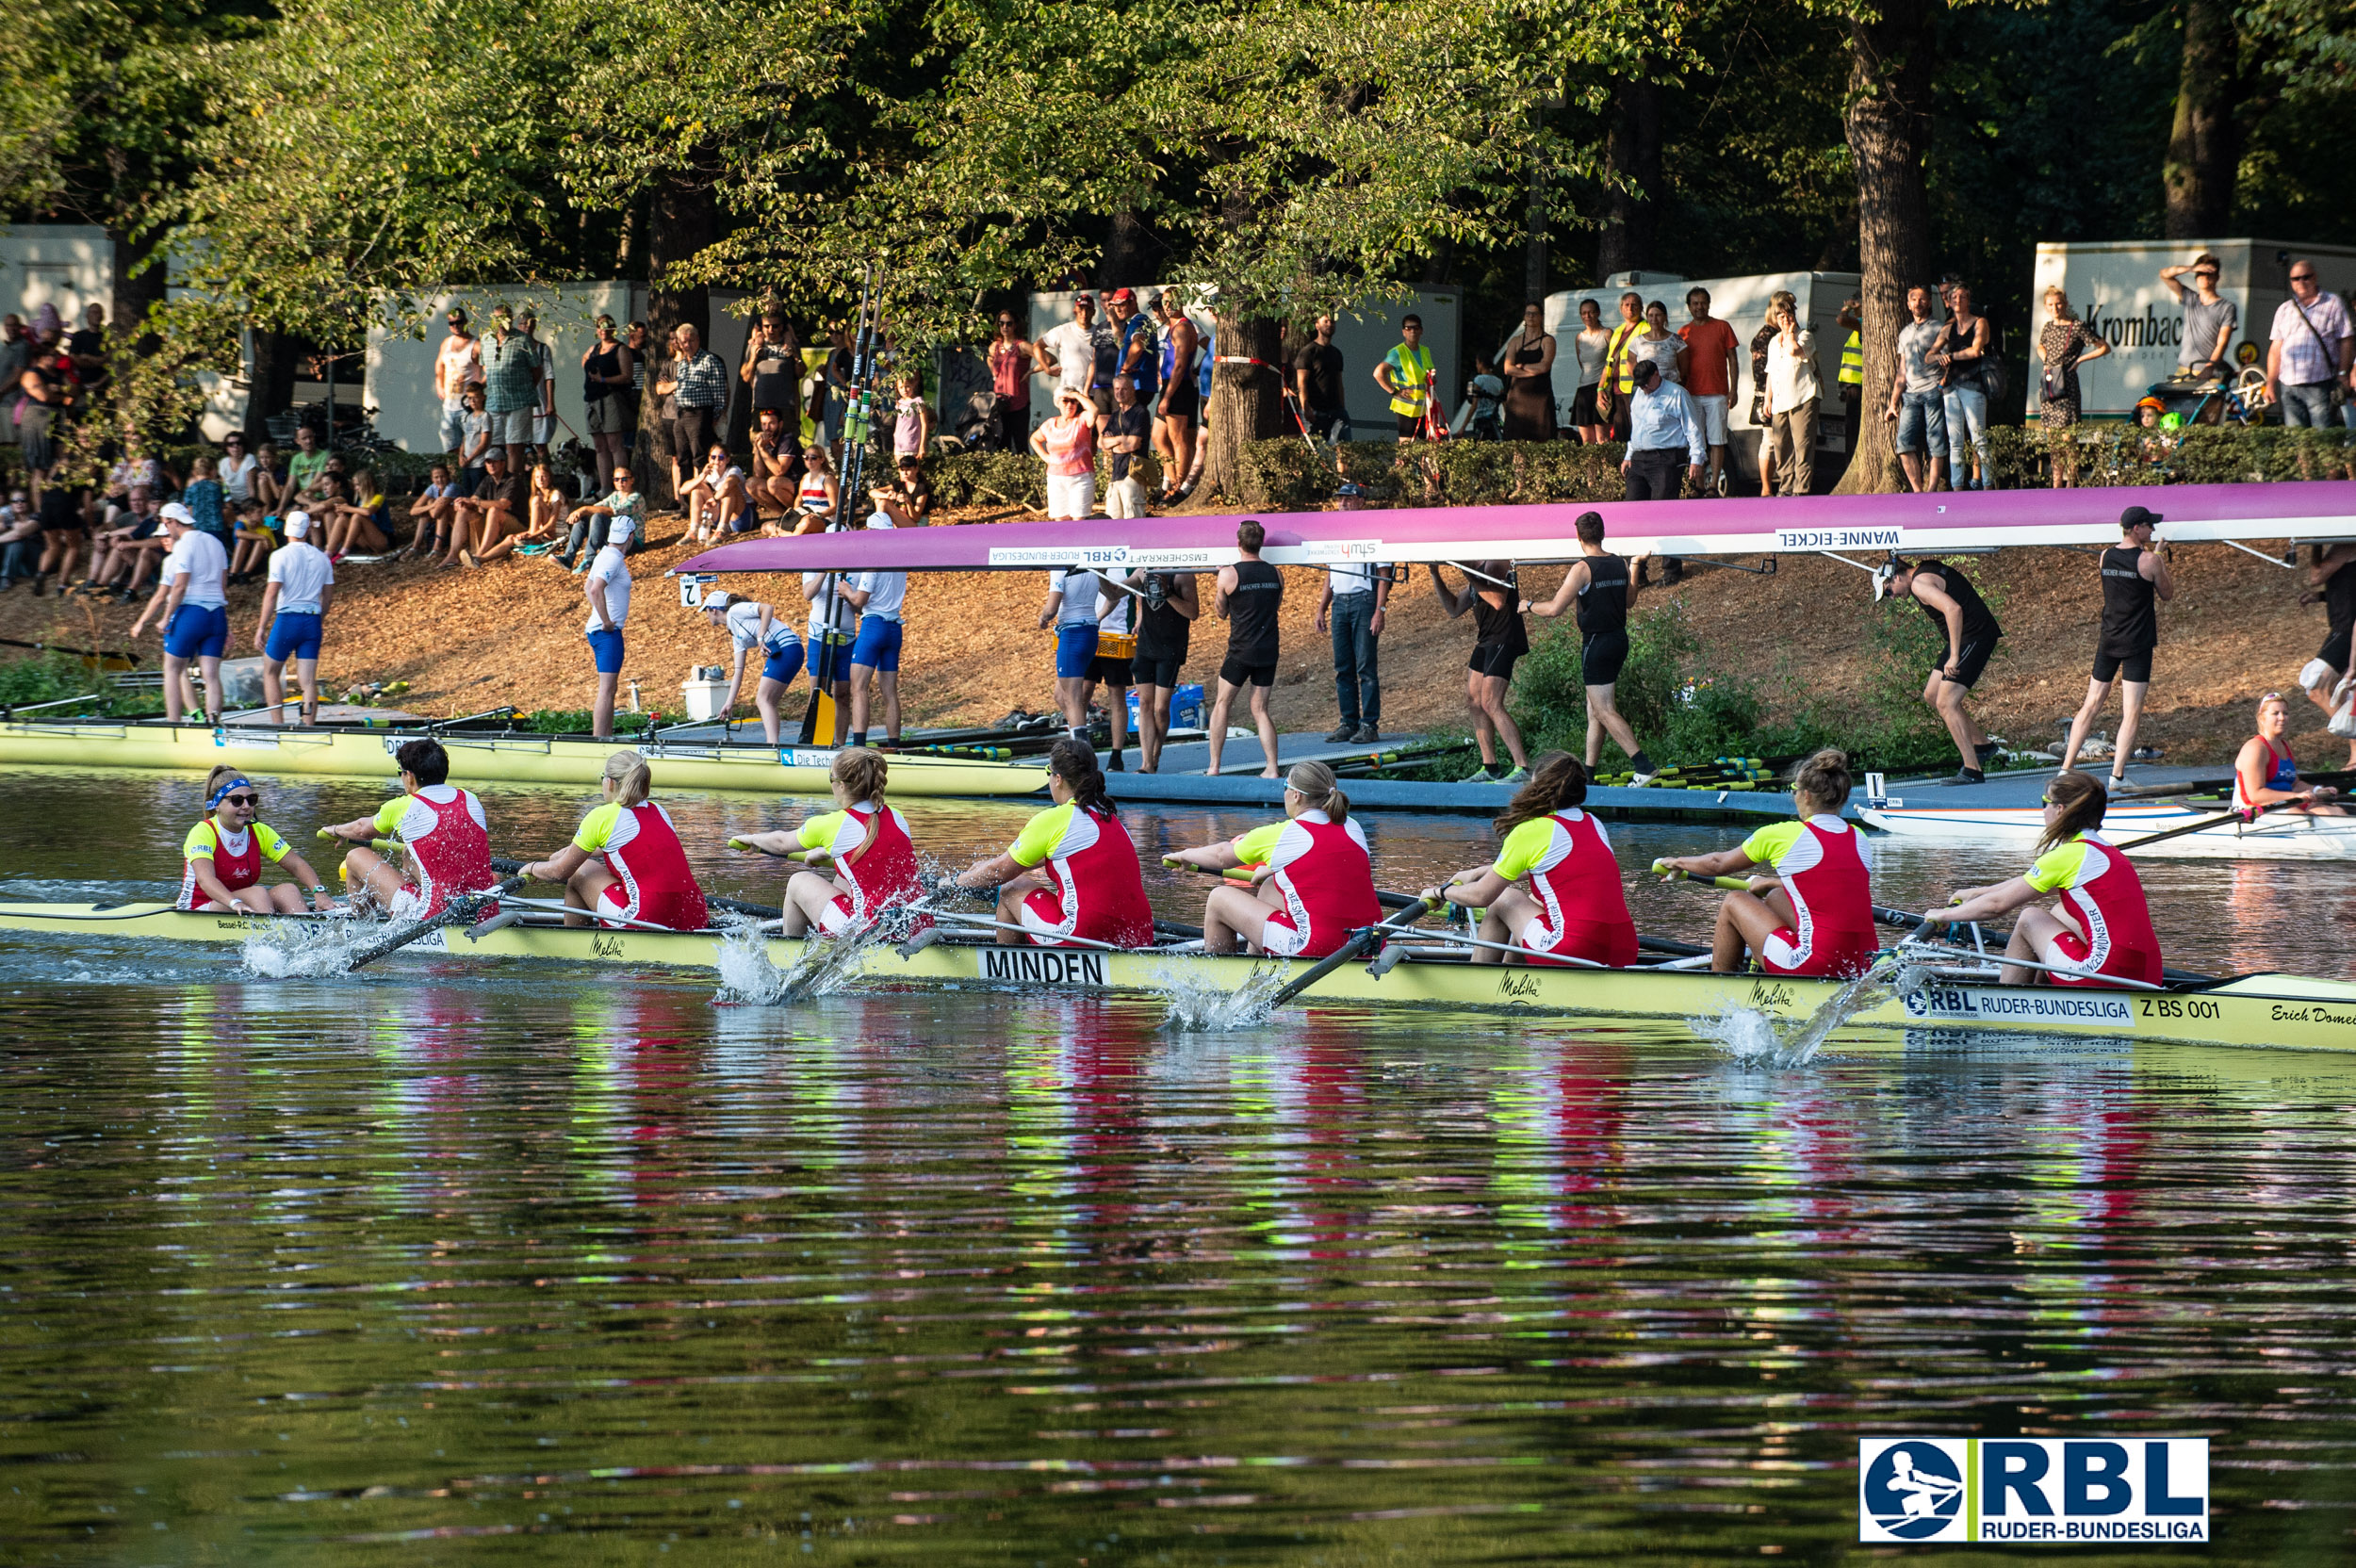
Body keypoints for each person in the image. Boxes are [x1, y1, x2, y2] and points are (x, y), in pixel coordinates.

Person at [1922, 772, 2163, 988]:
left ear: (2060, 810)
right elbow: (2024, 884)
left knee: (2030, 918)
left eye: (2044, 802)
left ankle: (2008, 1003)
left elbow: (1998, 906)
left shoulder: (2067, 855)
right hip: (2148, 974)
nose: (2042, 810)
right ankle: (2041, 991)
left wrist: (1944, 915)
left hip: (2105, 973)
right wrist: (1977, 893)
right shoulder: (2106, 852)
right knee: (2060, 912)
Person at [1655, 748, 1878, 977]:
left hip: (1814, 965)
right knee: (1775, 898)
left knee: (1734, 900)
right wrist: (1772, 883)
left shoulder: (1784, 834)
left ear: (1806, 795)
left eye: (1794, 791)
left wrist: (1678, 862)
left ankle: (1721, 995)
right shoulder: (1859, 838)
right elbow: (1830, 888)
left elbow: (1717, 863)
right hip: (1863, 963)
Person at [1423, 754, 1638, 967]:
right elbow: (1560, 868)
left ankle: (1476, 985)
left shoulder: (1531, 830)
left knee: (1503, 901)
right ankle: (1514, 979)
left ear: (1540, 788)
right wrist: (1480, 872)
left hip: (1575, 950)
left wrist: (1439, 892)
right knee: (1536, 899)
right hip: (1625, 948)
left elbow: (1481, 896)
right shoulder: (1594, 823)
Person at [949, 737, 1154, 948]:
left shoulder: (1055, 818)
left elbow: (999, 873)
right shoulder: (1111, 819)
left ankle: (1006, 974)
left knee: (1010, 888)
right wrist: (978, 870)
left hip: (1081, 936)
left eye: (1048, 772)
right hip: (1138, 936)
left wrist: (953, 883)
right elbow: (1016, 863)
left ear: (1058, 779)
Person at [1169, 760, 1379, 956]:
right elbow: (1326, 866)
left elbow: (1222, 856)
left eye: (1285, 786)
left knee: (1219, 898)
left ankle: (1220, 982)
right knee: (1271, 885)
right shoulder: (1353, 827)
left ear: (1296, 795)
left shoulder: (1282, 834)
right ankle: (1256, 969)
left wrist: (1184, 854)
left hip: (1316, 947)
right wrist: (1274, 869)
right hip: (1369, 942)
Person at [1524, 511, 1660, 784]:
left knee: (1603, 710)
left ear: (1578, 537)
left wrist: (1527, 606)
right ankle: (1588, 775)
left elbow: (1553, 609)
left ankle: (1643, 766)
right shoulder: (1618, 563)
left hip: (1596, 644)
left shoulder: (1582, 569)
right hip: (1619, 640)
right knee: (1595, 710)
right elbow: (1629, 601)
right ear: (1603, 534)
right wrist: (1635, 566)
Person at [741, 747, 926, 939]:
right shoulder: (897, 816)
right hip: (917, 922)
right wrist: (827, 852)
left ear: (841, 786)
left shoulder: (833, 824)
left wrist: (753, 839)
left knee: (798, 881)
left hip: (869, 932)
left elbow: (781, 843)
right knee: (842, 879)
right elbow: (877, 852)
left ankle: (791, 953)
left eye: (831, 778)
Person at [518, 749, 711, 931]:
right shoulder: (658, 811)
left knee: (578, 873)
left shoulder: (601, 816)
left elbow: (559, 873)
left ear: (609, 783)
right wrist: (564, 854)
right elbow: (633, 849)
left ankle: (577, 946)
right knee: (597, 868)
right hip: (696, 914)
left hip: (645, 919)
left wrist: (531, 867)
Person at [2060, 505, 2175, 786]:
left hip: (2108, 639)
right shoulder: (2149, 560)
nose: (2153, 530)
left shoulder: (2105, 556)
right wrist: (2159, 555)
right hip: (2137, 643)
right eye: (2150, 526)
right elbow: (2168, 594)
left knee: (2090, 705)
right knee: (2131, 711)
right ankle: (2118, 776)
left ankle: (2065, 769)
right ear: (2137, 528)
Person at [320, 738, 497, 919]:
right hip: (485, 908)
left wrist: (335, 830)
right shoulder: (470, 798)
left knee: (355, 856)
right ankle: (403, 903)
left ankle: (363, 925)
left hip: (433, 914)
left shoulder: (404, 805)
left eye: (401, 773)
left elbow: (361, 830)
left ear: (410, 776)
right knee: (408, 853)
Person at [1875, 558, 2003, 783]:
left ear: (1896, 576)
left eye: (1888, 592)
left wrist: (1954, 656)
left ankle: (1972, 769)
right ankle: (1982, 746)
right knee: (1932, 695)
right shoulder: (1924, 569)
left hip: (1975, 635)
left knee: (1946, 702)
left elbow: (1953, 610)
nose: (1892, 597)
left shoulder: (1918, 584)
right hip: (1967, 635)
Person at [1425, 559, 1530, 782]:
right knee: (1473, 700)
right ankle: (1490, 766)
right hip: (1485, 641)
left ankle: (1523, 767)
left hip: (1504, 638)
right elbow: (1453, 609)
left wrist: (1467, 572)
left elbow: (1498, 601)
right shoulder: (1474, 575)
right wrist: (1436, 575)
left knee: (1491, 702)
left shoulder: (1494, 565)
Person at [177, 766, 335, 914]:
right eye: (237, 800)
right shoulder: (202, 832)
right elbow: (205, 879)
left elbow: (296, 865)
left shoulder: (259, 831)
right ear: (217, 804)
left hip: (240, 903)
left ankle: (305, 934)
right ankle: (268, 937)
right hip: (197, 907)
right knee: (257, 893)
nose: (246, 806)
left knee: (289, 890)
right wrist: (234, 903)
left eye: (251, 799)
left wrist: (319, 893)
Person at [128, 502, 231, 725]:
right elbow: (223, 587)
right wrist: (227, 625)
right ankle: (214, 724)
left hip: (192, 612)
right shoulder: (216, 542)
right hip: (217, 615)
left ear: (173, 522)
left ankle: (173, 724)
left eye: (166, 524)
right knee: (211, 675)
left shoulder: (184, 545)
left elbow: (180, 586)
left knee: (172, 670)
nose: (167, 529)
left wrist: (166, 617)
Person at [1206, 519, 1284, 779]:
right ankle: (1272, 767)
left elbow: (1220, 612)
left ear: (1238, 543)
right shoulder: (1276, 574)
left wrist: (1220, 584)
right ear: (1261, 544)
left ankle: (1214, 766)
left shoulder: (1229, 573)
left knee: (1222, 704)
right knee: (1260, 709)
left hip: (1241, 650)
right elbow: (1275, 606)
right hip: (1268, 650)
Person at [254, 511, 335, 726]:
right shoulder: (322, 558)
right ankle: (309, 726)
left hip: (287, 620)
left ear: (287, 529)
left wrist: (261, 627)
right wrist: (320, 618)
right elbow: (328, 596)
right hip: (312, 620)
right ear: (308, 530)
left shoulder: (280, 555)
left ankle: (278, 725)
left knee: (271, 672)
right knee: (308, 681)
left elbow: (272, 593)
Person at [842, 503, 907, 749]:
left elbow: (860, 600)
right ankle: (894, 744)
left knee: (858, 687)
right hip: (894, 627)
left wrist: (846, 590)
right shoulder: (899, 559)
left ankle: (859, 744)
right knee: (889, 692)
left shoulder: (873, 562)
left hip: (873, 626)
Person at [702, 590, 803, 744]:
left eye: (706, 611)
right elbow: (738, 671)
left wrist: (761, 636)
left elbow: (767, 608)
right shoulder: (735, 633)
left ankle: (772, 746)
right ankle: (775, 745)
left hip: (787, 648)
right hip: (790, 650)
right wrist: (729, 703)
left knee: (763, 699)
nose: (706, 615)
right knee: (769, 701)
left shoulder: (736, 610)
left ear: (713, 610)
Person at [2265, 258, 2353, 429]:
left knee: (2322, 439)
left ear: (2315, 277)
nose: (2301, 282)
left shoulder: (2332, 303)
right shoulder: (2285, 309)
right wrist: (2270, 383)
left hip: (2319, 383)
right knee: (2297, 439)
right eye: (2295, 279)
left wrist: (2343, 374)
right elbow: (2275, 349)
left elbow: (2347, 340)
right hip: (2289, 385)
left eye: (2306, 277)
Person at [2037, 286, 2108, 487]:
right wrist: (2044, 357)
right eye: (2050, 304)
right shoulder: (2048, 327)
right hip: (2050, 383)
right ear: (2045, 306)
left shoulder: (2076, 326)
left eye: (2058, 303)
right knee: (2053, 440)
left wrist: (2080, 360)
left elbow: (2104, 347)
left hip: (2067, 385)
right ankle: (2056, 482)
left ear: (2066, 304)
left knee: (2068, 438)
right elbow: (2040, 345)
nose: (2055, 308)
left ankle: (2072, 482)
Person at [2234, 691, 2348, 817]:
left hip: (2286, 804)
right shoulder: (2255, 748)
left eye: (2285, 713)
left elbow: (2294, 784)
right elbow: (2256, 795)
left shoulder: (2285, 745)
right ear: (2262, 718)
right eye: (2275, 713)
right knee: (2302, 817)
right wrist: (2295, 796)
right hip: (2255, 810)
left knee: (2336, 812)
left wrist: (2317, 790)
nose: (2282, 718)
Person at [1317, 554, 1390, 744]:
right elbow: (1331, 574)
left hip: (1364, 599)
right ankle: (1349, 722)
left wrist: (1379, 611)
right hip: (1339, 601)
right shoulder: (1336, 538)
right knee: (1342, 666)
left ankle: (1369, 725)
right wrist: (1321, 608)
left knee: (1365, 666)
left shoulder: (1369, 535)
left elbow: (1384, 574)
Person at [1131, 567, 1199, 773]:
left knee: (1161, 708)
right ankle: (1146, 763)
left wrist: (1168, 594)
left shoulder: (1182, 575)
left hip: (1170, 647)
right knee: (1144, 703)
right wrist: (1101, 577)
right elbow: (1121, 593)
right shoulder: (1143, 571)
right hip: (1146, 644)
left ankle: (1155, 755)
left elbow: (1193, 613)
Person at [1930, 282, 1994, 491]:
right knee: (1955, 440)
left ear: (1968, 299)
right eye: (1954, 297)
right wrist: (1939, 356)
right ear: (1948, 300)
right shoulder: (1948, 327)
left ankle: (1987, 484)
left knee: (1978, 438)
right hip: (1951, 387)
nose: (1958, 301)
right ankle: (1957, 487)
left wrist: (1950, 356)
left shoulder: (1979, 323)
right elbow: (1929, 355)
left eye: (1962, 297)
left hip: (1973, 385)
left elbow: (1976, 351)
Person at [1885, 284, 1948, 494]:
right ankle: (1917, 492)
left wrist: (1942, 384)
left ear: (1929, 302)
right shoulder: (1904, 333)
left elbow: (1950, 361)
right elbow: (1901, 370)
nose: (1918, 303)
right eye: (1913, 299)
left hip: (1933, 391)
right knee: (1903, 444)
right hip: (1910, 396)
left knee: (1935, 442)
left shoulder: (1939, 328)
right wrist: (1894, 401)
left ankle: (1931, 489)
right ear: (1908, 304)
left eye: (1922, 299)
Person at [2298, 542, 2356, 764]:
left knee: (2316, 687)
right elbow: (2349, 587)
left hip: (2347, 630)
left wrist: (2315, 543)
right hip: (2344, 627)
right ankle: (2354, 754)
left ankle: (2355, 748)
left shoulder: (2346, 546)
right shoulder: (2346, 549)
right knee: (2340, 691)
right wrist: (2321, 597)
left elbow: (2316, 575)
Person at [655, 324, 729, 495]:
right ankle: (685, 501)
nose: (687, 345)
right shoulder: (682, 364)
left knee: (700, 456)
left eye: (691, 341)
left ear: (698, 340)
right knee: (682, 457)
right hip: (681, 413)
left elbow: (719, 392)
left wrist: (716, 416)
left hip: (700, 413)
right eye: (684, 342)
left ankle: (705, 495)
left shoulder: (709, 361)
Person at [1678, 286, 1740, 493]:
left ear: (1709, 304)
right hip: (1691, 395)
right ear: (1689, 306)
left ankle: (1713, 484)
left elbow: (1732, 358)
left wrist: (1734, 389)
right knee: (1697, 442)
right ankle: (1697, 484)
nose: (1699, 307)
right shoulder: (1683, 333)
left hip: (1717, 393)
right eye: (1695, 303)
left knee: (1717, 440)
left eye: (1703, 302)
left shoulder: (1722, 327)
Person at [1041, 565, 1109, 747]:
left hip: (1072, 633)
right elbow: (1114, 596)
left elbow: (1051, 608)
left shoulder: (1060, 567)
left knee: (1072, 697)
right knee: (1060, 695)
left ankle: (1081, 748)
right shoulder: (1093, 566)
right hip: (1089, 632)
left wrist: (1043, 619)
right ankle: (1077, 735)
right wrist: (1097, 617)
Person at [1620, 357, 1706, 501]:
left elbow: (1693, 428)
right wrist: (1629, 455)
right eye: (1641, 385)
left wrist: (1696, 459)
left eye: (1646, 384)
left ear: (1656, 374)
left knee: (1662, 507)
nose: (1644, 388)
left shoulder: (1677, 394)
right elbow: (1636, 428)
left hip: (1665, 459)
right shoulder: (1638, 394)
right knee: (1632, 505)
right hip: (1639, 458)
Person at [583, 506, 635, 740]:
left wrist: (599, 615)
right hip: (606, 633)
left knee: (609, 688)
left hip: (599, 631)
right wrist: (605, 620)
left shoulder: (604, 554)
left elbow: (588, 587)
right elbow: (595, 589)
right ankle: (600, 740)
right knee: (607, 689)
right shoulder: (613, 558)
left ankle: (605, 737)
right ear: (630, 537)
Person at [1764, 300, 1821, 498]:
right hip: (1780, 401)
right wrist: (1767, 399)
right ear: (1776, 319)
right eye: (1781, 317)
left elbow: (1793, 350)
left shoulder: (1804, 336)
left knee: (1802, 446)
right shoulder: (1773, 342)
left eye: (1789, 316)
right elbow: (1771, 371)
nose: (1786, 319)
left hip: (1803, 396)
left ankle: (1801, 489)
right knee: (1781, 447)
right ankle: (1785, 487)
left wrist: (1789, 333)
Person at [477, 305, 541, 476]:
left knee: (514, 447)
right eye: (498, 319)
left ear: (511, 319)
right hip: (494, 402)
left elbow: (537, 369)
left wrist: (525, 389)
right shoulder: (485, 340)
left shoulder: (523, 340)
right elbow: (486, 369)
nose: (501, 323)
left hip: (519, 402)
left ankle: (513, 489)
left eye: (505, 318)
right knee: (494, 447)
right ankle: (496, 486)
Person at [2160, 253, 2237, 384]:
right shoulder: (2190, 298)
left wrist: (2210, 367)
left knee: (2207, 405)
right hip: (2184, 371)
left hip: (2208, 373)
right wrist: (2191, 268)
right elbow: (2165, 274)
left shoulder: (2226, 307)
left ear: (2217, 277)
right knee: (2172, 403)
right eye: (2201, 273)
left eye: (2209, 273)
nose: (2204, 277)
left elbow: (2222, 343)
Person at [581, 312, 636, 484]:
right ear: (597, 330)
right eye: (600, 326)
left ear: (613, 328)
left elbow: (627, 376)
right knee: (599, 446)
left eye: (607, 326)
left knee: (614, 444)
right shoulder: (593, 349)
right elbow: (584, 360)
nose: (603, 330)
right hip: (592, 399)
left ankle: (622, 484)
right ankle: (605, 488)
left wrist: (603, 379)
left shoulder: (620, 349)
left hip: (611, 398)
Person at [1157, 296, 1203, 498]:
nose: (1168, 306)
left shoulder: (1183, 328)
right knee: (1158, 437)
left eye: (1172, 302)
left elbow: (1179, 365)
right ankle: (1171, 480)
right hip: (1170, 384)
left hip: (1178, 387)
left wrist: (1167, 396)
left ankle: (1180, 486)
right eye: (1165, 302)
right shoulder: (1171, 327)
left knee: (1178, 439)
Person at [1031, 386, 1098, 520]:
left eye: (1073, 401)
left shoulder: (1081, 420)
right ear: (1058, 403)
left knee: (1079, 521)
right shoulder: (1050, 424)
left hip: (1081, 478)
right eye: (1065, 401)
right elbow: (1034, 439)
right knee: (1060, 521)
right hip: (1056, 479)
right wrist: (1045, 457)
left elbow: (1094, 410)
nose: (1069, 405)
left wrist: (1076, 395)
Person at [560, 466, 643, 573]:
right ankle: (568, 558)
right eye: (616, 479)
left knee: (598, 516)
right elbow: (596, 507)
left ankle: (589, 559)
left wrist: (584, 508)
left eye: (624, 479)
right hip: (614, 540)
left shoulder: (636, 498)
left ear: (632, 480)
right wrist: (580, 513)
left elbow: (613, 511)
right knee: (584, 519)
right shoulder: (615, 496)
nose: (620, 482)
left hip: (631, 542)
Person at [450, 448, 524, 567]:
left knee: (494, 510)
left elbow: (503, 504)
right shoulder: (487, 480)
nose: (491, 465)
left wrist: (476, 502)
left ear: (503, 463)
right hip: (495, 524)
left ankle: (478, 556)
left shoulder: (512, 480)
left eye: (495, 461)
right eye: (488, 462)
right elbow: (474, 499)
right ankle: (452, 556)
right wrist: (463, 503)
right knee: (464, 511)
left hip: (517, 525)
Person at [1033, 292, 1105, 413]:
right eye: (1081, 309)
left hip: (1094, 392)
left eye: (1088, 310)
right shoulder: (1063, 330)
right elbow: (1037, 346)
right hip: (1070, 392)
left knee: (1092, 429)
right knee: (1071, 428)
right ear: (1075, 311)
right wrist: (1047, 369)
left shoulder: (1100, 332)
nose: (1084, 314)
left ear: (1094, 312)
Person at [1499, 302, 1558, 441]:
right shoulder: (1515, 341)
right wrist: (1532, 371)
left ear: (1541, 317)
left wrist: (1522, 366)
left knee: (1542, 442)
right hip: (1518, 400)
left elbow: (1544, 366)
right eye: (1528, 313)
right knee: (1516, 442)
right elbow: (1508, 368)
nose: (1531, 317)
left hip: (1540, 399)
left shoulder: (1548, 341)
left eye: (1535, 314)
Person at [1376, 314, 1437, 441]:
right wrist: (1394, 392)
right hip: (1406, 408)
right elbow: (1378, 373)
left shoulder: (1425, 351)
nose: (1412, 331)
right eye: (1408, 328)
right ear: (1403, 332)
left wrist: (1432, 379)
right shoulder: (1398, 353)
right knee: (1406, 449)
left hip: (1424, 408)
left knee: (1430, 448)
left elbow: (1429, 376)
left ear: (1421, 331)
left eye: (1416, 328)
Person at [1292, 313, 1349, 443]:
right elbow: (1302, 383)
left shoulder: (1336, 353)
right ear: (1317, 325)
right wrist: (1306, 408)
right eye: (1326, 321)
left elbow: (1339, 381)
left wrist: (1342, 408)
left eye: (1332, 322)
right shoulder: (1308, 352)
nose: (1330, 324)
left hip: (1335, 410)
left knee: (1344, 450)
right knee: (1309, 451)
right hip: (1315, 410)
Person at [679, 443, 751, 545]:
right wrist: (702, 476)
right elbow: (683, 490)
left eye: (721, 457)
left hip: (742, 517)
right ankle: (694, 529)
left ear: (727, 460)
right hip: (722, 514)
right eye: (713, 457)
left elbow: (727, 486)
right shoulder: (710, 473)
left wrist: (714, 499)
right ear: (709, 459)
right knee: (697, 489)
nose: (717, 461)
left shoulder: (734, 470)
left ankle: (722, 529)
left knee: (730, 489)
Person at [1103, 375, 1153, 517]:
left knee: (1132, 517)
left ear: (1133, 390)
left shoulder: (1140, 412)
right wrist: (1121, 440)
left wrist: (1113, 444)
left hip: (1134, 473)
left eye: (1124, 389)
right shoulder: (1115, 416)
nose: (1120, 392)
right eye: (1117, 389)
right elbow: (1101, 442)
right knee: (1112, 520)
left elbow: (1133, 445)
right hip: (1116, 474)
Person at [434, 306, 481, 456]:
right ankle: (455, 476)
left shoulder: (476, 344)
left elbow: (489, 370)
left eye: (459, 322)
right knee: (450, 447)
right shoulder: (447, 343)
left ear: (466, 321)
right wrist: (439, 385)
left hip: (467, 406)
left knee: (471, 446)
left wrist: (478, 389)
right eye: (451, 323)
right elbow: (439, 364)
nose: (455, 326)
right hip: (449, 406)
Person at [986, 309, 1034, 452]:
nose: (1005, 327)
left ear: (1015, 325)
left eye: (1009, 323)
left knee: (1020, 445)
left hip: (1019, 402)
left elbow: (1049, 359)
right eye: (1001, 324)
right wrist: (995, 375)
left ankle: (1023, 474)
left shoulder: (1022, 345)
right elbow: (989, 359)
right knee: (1001, 443)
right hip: (1000, 402)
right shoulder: (995, 346)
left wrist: (1031, 371)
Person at [1571, 298, 1612, 444]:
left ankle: (1606, 467)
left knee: (1602, 438)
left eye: (1591, 312)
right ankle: (1590, 468)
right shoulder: (1579, 338)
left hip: (1600, 388)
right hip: (1583, 389)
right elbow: (1581, 363)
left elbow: (1611, 363)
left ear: (1598, 313)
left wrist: (1604, 387)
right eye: (1584, 313)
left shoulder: (1607, 334)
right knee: (1587, 439)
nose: (1587, 316)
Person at [747, 407, 798, 524]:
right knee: (751, 484)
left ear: (780, 424)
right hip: (780, 488)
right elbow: (758, 475)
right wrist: (758, 449)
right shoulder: (765, 443)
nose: (767, 428)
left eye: (771, 423)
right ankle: (784, 516)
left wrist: (762, 449)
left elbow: (780, 471)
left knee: (773, 482)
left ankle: (798, 513)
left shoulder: (787, 439)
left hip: (796, 485)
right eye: (764, 424)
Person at [405, 463, 464, 561]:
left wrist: (430, 505)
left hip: (457, 523)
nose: (439, 480)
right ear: (432, 479)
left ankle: (437, 548)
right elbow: (413, 511)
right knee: (424, 513)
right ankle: (415, 547)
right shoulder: (432, 488)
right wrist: (431, 505)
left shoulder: (452, 487)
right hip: (443, 524)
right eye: (436, 477)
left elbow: (436, 514)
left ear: (448, 477)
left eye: (442, 476)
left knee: (442, 509)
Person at [1836, 293, 1864, 462]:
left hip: (1858, 387)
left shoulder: (1862, 323)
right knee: (1851, 430)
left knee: (1853, 430)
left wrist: (1847, 308)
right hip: (1853, 386)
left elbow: (1840, 320)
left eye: (1857, 306)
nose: (1855, 310)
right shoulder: (1857, 327)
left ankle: (1851, 462)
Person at [1455, 354, 1505, 440]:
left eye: (1477, 363)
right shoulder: (1499, 381)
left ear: (1481, 363)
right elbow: (1504, 402)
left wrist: (1463, 427)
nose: (1476, 366)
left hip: (1482, 421)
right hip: (1495, 420)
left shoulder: (1479, 380)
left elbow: (1474, 405)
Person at [793, 441, 840, 531]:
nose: (809, 460)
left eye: (813, 458)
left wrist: (818, 515)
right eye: (806, 457)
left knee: (806, 523)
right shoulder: (805, 477)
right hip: (806, 516)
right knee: (766, 527)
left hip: (824, 519)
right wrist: (795, 513)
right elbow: (799, 499)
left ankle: (788, 539)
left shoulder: (827, 479)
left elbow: (834, 507)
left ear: (822, 460)